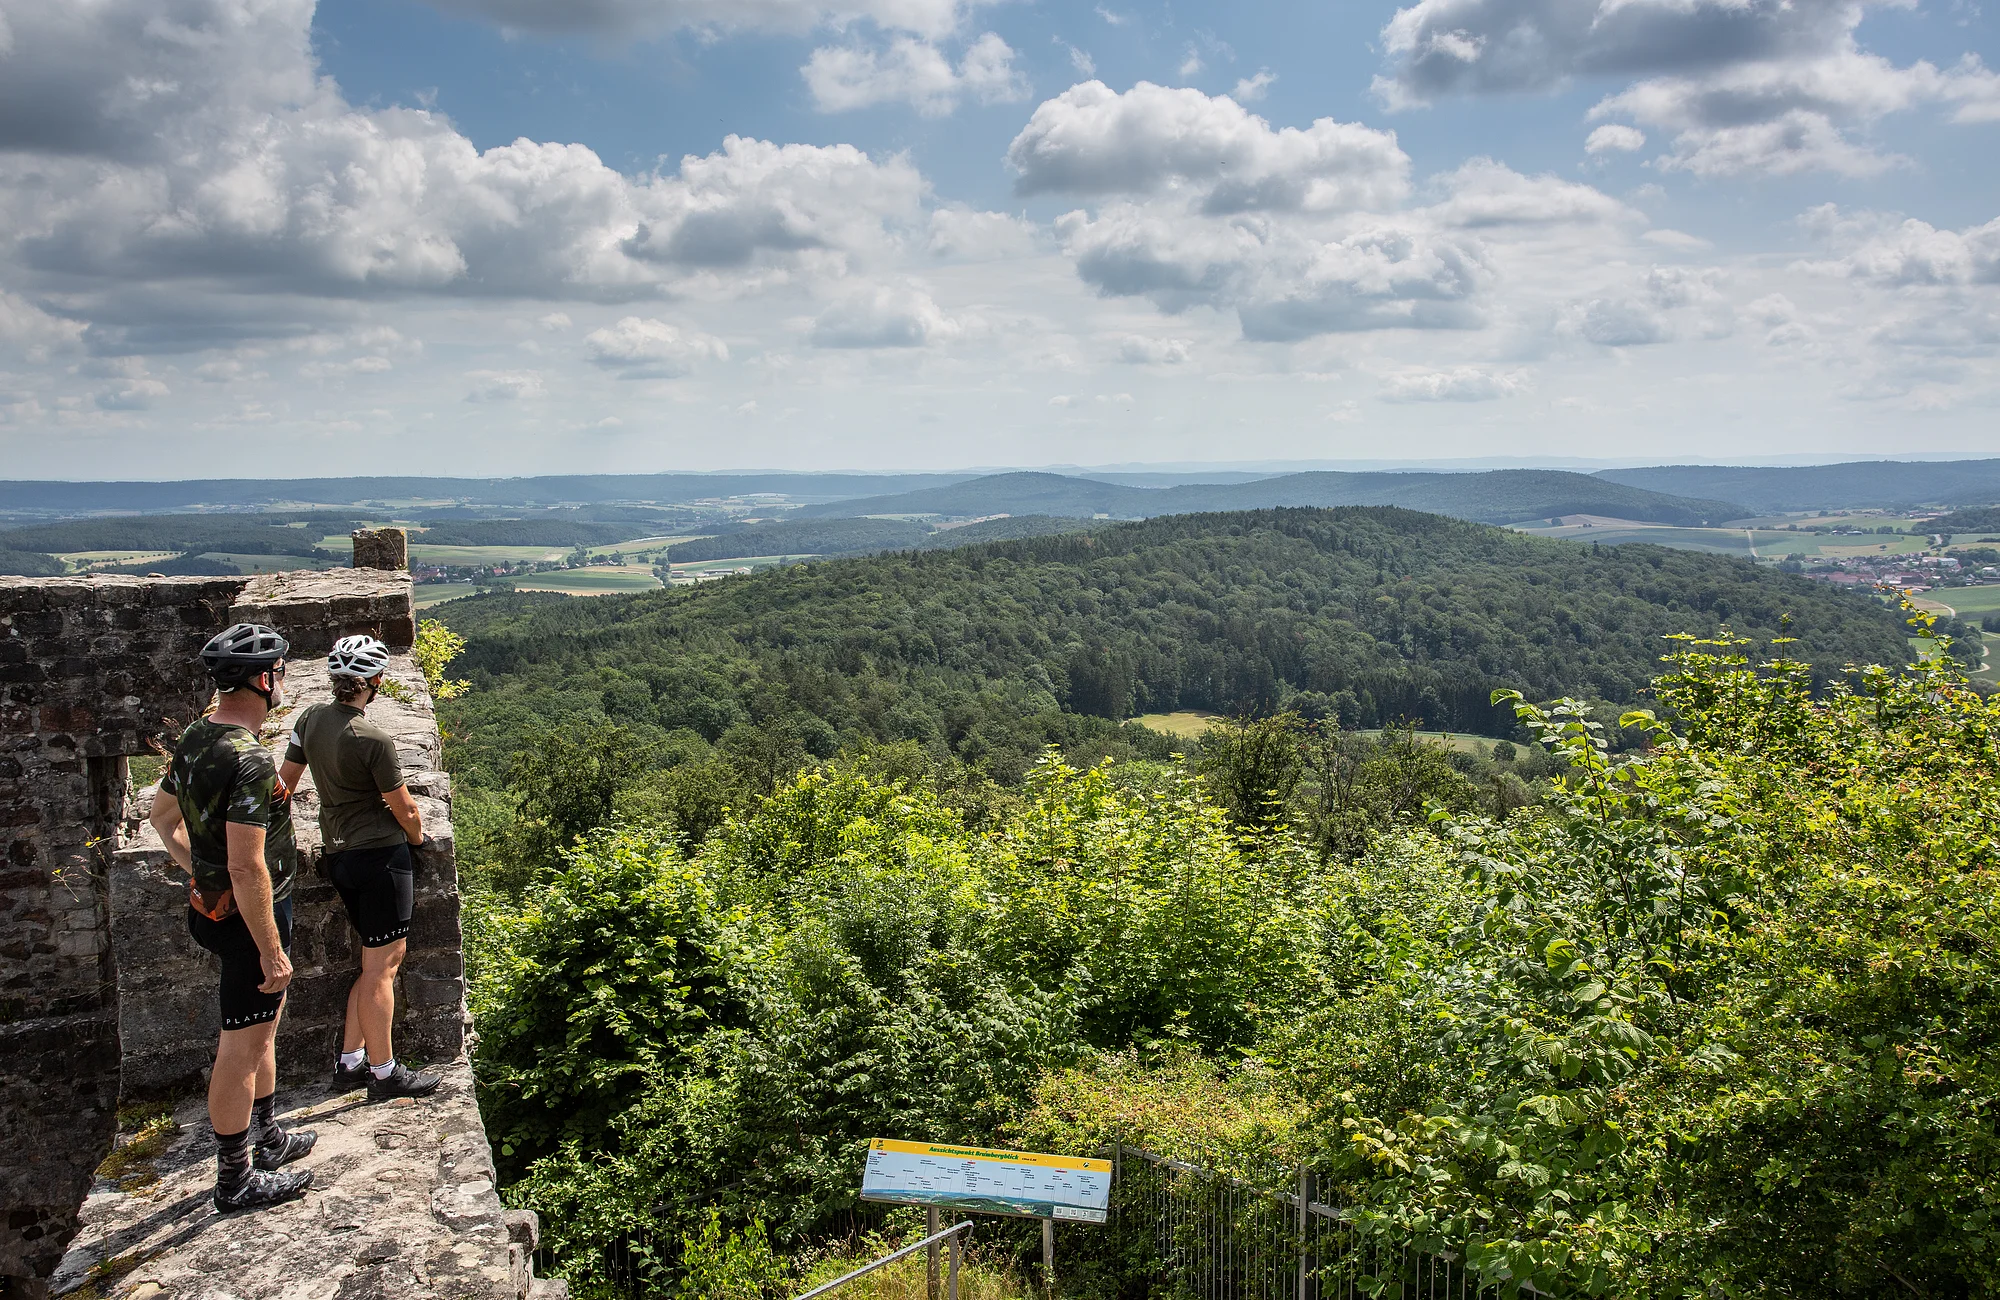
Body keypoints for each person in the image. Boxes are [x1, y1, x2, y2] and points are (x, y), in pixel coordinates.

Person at [148, 623, 316, 1213]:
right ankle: (234, 1178)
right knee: (239, 1046)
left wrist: (199, 872)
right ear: (265, 680)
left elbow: (160, 815)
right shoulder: (249, 761)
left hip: (212, 910)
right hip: (249, 923)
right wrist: (272, 950)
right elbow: (249, 869)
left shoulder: (196, 737)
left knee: (261, 1028)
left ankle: (268, 1136)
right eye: (281, 672)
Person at [279, 635, 442, 1102]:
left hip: (339, 856)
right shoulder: (371, 738)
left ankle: (349, 1063)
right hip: (379, 859)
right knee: (384, 968)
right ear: (373, 682)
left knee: (372, 963)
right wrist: (418, 841)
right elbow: (406, 809)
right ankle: (385, 1073)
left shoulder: (309, 719)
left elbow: (284, 785)